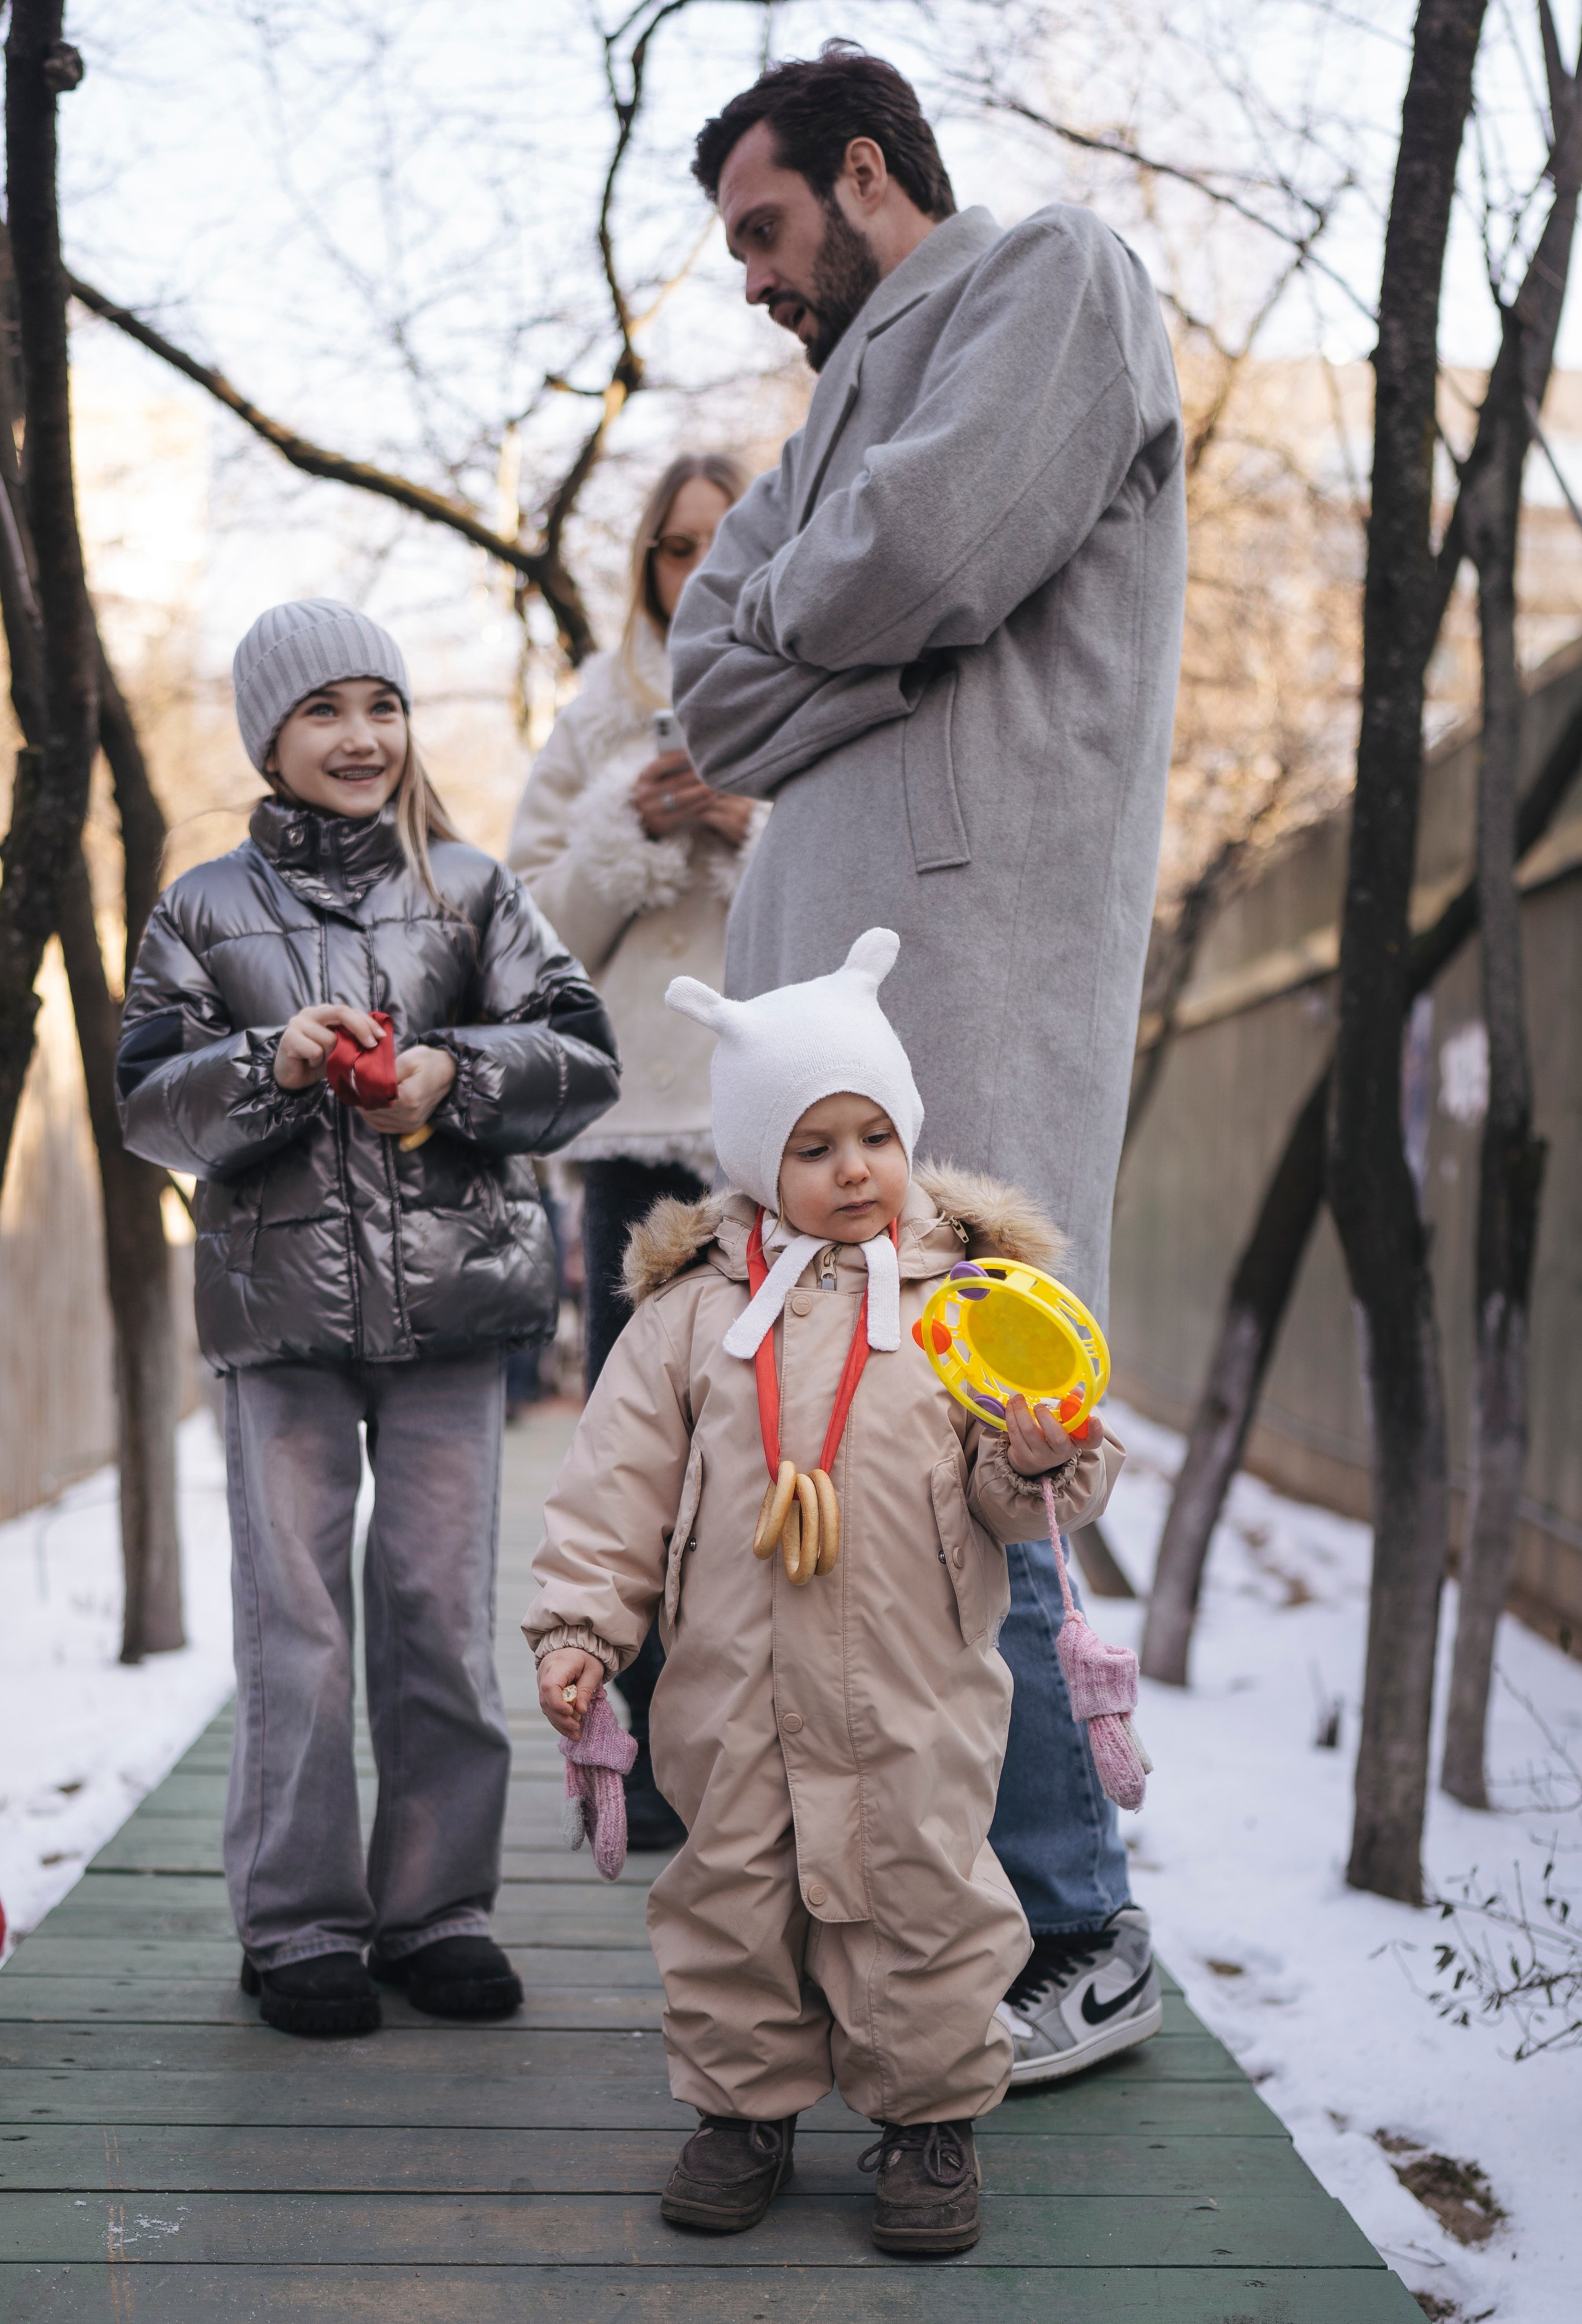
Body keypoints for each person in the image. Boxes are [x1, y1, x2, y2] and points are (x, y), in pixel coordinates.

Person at [669, 46, 1184, 2084]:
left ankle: (1078, 1922)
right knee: (848, 1457)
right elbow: (712, 678)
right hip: (821, 995)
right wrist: (869, 624)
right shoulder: (824, 422)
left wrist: (861, 616)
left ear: (865, 175)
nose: (752, 283)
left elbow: (927, 558)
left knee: (986, 1411)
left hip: (974, 965)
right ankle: (920, 1920)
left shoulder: (1051, 278)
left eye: (765, 230)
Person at [527, 930, 1124, 2253]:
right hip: (729, 1691)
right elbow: (614, 1484)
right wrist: (580, 1626)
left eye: (873, 1134)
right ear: (755, 1163)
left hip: (915, 1688)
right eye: (812, 1145)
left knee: (925, 1895)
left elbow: (1020, 1493)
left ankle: (926, 2124)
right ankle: (743, 2112)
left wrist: (1040, 1457)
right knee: (730, 1894)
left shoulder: (970, 1305)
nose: (852, 1167)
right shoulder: (691, 1318)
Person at [116, 599, 620, 2040]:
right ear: (269, 736)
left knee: (439, 1614)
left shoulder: (471, 890)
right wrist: (269, 1065)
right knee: (297, 1628)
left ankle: (438, 1907)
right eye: (325, 710)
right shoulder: (201, 908)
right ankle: (298, 1926)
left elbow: (581, 1057)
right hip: (277, 1320)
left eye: (381, 706)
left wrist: (451, 1076)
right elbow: (149, 1105)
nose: (360, 736)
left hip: (456, 1313)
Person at [509, 451, 763, 1846]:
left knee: (767, 1443)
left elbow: (863, 891)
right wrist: (631, 824)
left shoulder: (801, 679)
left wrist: (745, 824)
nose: (697, 566)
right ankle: (647, 1755)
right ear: (645, 566)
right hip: (632, 1129)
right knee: (635, 1449)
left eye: (724, 540)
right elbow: (529, 924)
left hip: (775, 1137)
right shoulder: (596, 713)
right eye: (673, 547)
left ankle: (755, 1754)